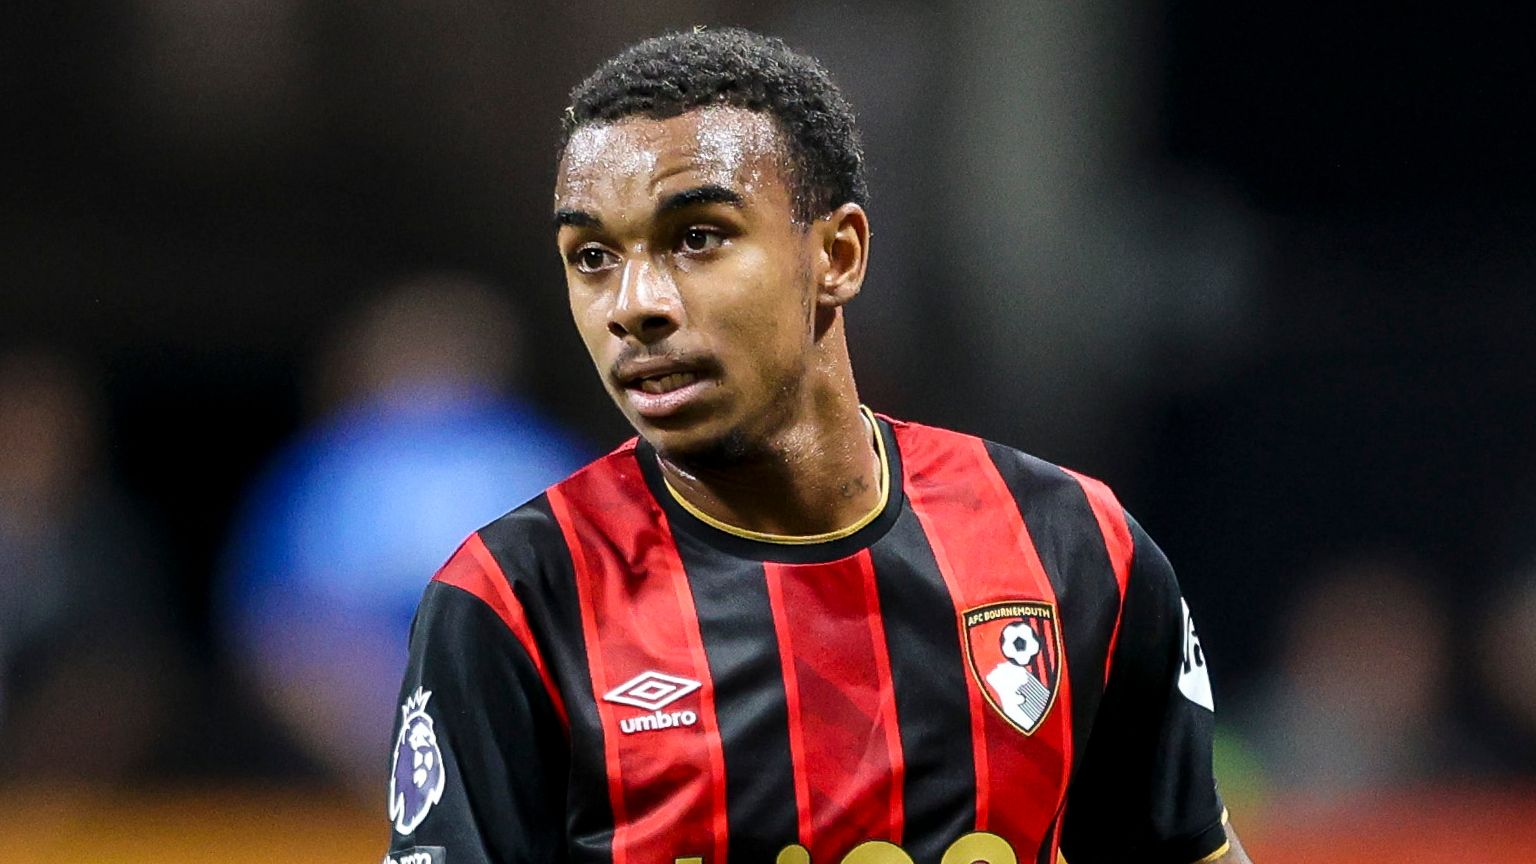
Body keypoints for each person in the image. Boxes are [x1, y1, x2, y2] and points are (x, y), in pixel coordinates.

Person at [384, 28, 1252, 864]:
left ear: (838, 255)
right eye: (592, 257)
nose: (634, 303)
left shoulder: (1070, 546)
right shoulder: (513, 601)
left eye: (697, 237)